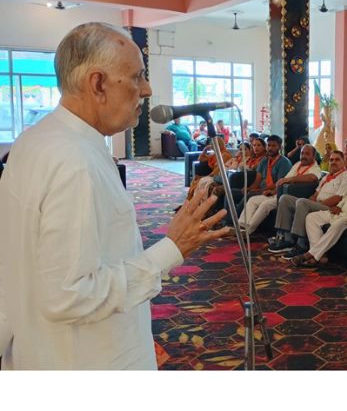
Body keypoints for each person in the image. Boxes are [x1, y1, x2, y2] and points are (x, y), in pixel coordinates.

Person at [0, 22, 230, 369]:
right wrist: (171, 248)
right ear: (98, 84)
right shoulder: (74, 162)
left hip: (42, 349)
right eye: (137, 76)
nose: (148, 89)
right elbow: (69, 295)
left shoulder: (37, 140)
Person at [269, 149, 347, 259]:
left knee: (302, 202)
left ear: (344, 162)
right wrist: (311, 201)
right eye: (331, 160)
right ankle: (287, 240)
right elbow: (316, 193)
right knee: (285, 199)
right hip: (317, 203)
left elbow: (338, 198)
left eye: (337, 160)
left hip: (329, 206)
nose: (333, 162)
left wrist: (311, 204)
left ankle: (301, 245)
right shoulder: (327, 176)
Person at [237, 143, 318, 236]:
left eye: (307, 154)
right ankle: (241, 225)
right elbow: (283, 182)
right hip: (278, 193)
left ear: (313, 156)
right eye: (302, 153)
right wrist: (273, 191)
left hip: (290, 198)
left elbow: (312, 178)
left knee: (265, 205)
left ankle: (248, 230)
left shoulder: (315, 168)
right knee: (253, 200)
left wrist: (290, 179)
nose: (303, 156)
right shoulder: (298, 164)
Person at [231, 134, 292, 213]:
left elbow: (279, 183)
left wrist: (258, 190)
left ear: (280, 147)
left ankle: (234, 221)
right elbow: (257, 180)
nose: (270, 148)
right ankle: (228, 219)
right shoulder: (264, 161)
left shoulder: (284, 162)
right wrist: (250, 188)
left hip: (272, 191)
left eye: (274, 146)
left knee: (250, 195)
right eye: (269, 145)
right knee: (231, 192)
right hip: (260, 189)